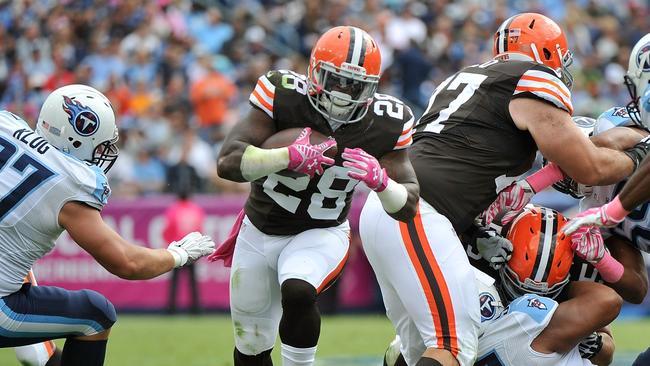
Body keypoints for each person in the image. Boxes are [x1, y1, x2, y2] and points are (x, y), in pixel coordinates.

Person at [360, 12, 639, 366]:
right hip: (420, 211)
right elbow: (590, 166)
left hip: (392, 205)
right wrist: (639, 157)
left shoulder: (468, 78)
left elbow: (461, 158)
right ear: (548, 56)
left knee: (418, 351)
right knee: (453, 346)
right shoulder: (533, 78)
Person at [216, 26, 419, 366]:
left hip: (321, 230)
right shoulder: (283, 93)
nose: (342, 93)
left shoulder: (388, 121)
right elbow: (227, 162)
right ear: (313, 71)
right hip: (260, 228)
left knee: (299, 288)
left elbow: (409, 204)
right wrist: (285, 157)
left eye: (354, 85)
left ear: (371, 87)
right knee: (251, 345)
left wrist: (382, 183)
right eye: (335, 79)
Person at [0, 84, 215, 366]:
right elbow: (127, 263)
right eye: (101, 144)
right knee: (96, 314)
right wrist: (178, 254)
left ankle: (41, 354)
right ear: (78, 135)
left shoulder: (6, 125)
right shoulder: (70, 183)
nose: (104, 153)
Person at [163, 186, 206, 314]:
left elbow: (168, 229)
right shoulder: (196, 209)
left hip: (177, 249)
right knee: (192, 281)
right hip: (192, 249)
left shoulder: (173, 209)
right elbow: (199, 229)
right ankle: (196, 309)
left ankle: (171, 309)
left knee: (175, 281)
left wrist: (170, 244)